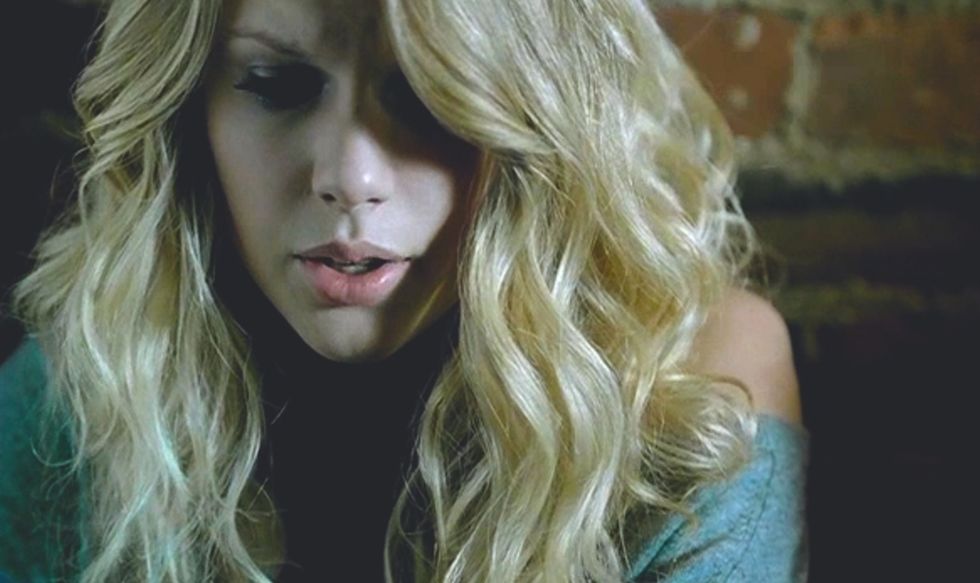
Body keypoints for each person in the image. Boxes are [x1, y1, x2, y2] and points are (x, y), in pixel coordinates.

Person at [0, 0, 808, 581]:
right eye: (276, 83)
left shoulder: (684, 388)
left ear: (539, 119)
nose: (349, 176)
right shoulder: (101, 369)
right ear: (188, 107)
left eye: (426, 94)